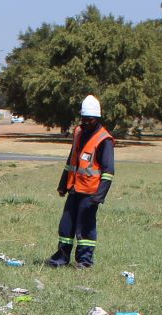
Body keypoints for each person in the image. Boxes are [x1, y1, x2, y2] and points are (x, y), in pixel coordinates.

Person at [46, 94, 114, 268]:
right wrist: (63, 185)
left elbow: (108, 172)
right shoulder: (78, 132)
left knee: (85, 227)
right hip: (74, 189)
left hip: (90, 193)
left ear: (97, 119)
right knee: (66, 225)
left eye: (89, 120)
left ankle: (84, 261)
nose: (85, 123)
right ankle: (61, 258)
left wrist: (99, 196)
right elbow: (71, 161)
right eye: (83, 119)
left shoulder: (104, 140)